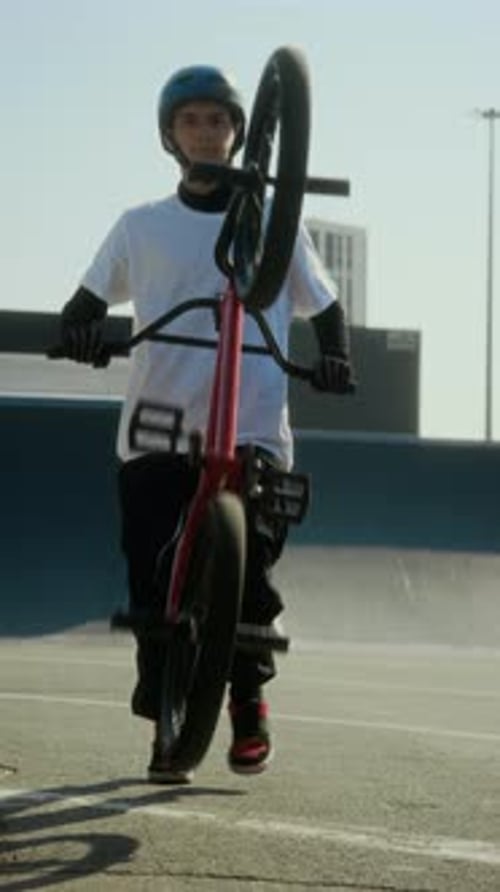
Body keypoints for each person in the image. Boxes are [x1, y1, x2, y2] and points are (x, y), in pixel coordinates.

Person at [59, 64, 355, 784]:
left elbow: (325, 306)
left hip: (251, 420)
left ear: (235, 133)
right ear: (171, 136)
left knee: (251, 566)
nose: (205, 132)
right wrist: (85, 336)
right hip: (160, 423)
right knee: (153, 564)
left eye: (217, 121)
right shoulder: (141, 226)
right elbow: (83, 308)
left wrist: (337, 356)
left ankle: (248, 699)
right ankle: (165, 703)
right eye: (190, 121)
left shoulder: (273, 228)